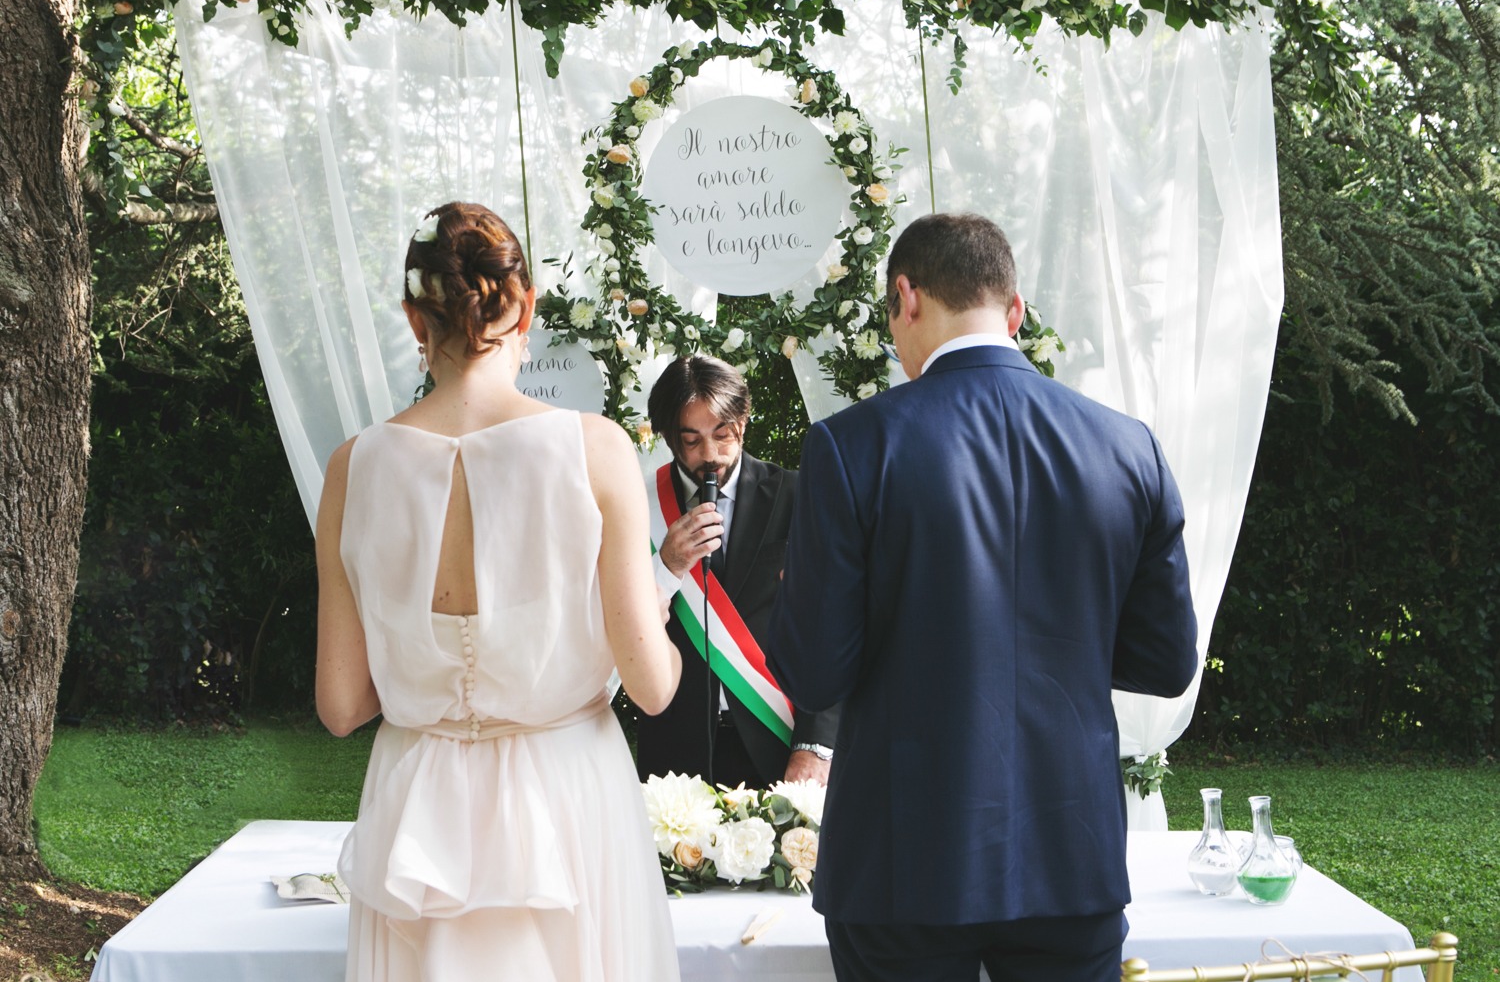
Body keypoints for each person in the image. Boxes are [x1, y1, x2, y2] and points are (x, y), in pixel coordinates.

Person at [764, 212, 1198, 982]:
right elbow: (1166, 662)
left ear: (906, 296)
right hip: (1072, 857)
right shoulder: (1130, 447)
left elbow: (817, 674)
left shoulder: (852, 445)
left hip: (902, 864)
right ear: (1015, 311)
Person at [315, 202, 682, 982]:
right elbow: (652, 687)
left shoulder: (353, 468)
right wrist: (649, 609)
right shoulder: (594, 449)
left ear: (417, 318)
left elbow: (342, 705)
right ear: (525, 306)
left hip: (417, 802)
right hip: (567, 794)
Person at [633, 355, 838, 790]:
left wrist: (817, 744)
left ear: (742, 422)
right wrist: (667, 566)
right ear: (669, 438)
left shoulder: (797, 495)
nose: (710, 455)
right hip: (675, 751)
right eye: (691, 440)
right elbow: (618, 626)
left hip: (781, 740)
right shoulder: (638, 506)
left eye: (722, 434)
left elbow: (832, 625)